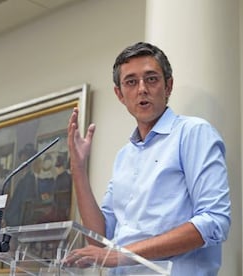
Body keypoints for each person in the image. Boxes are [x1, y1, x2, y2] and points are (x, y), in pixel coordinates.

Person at [65, 42, 231, 275]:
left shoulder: (193, 132)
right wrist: (78, 168)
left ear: (168, 86)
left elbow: (214, 222)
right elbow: (100, 240)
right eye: (131, 82)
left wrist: (121, 255)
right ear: (119, 94)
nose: (142, 89)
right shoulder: (124, 156)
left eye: (151, 79)